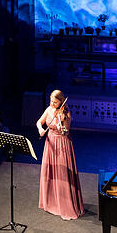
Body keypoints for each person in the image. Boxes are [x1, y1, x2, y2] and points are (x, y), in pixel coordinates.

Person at [36, 89, 84, 220]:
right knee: (50, 172)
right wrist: (40, 129)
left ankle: (64, 204)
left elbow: (66, 131)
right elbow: (39, 122)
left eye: (55, 102)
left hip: (62, 144)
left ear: (61, 102)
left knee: (62, 173)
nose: (52, 104)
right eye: (51, 101)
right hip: (50, 143)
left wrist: (63, 129)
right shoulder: (48, 109)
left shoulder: (66, 113)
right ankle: (50, 202)